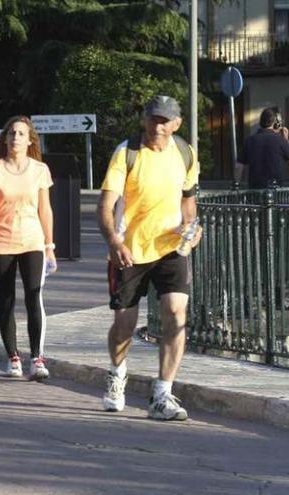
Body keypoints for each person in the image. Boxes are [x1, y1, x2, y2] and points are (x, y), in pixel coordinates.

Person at [97, 95, 202, 421]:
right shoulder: (126, 153)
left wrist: (192, 227)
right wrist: (113, 240)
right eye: (154, 119)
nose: (159, 126)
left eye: (165, 120)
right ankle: (117, 373)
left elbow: (188, 201)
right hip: (130, 250)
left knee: (175, 313)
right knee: (124, 325)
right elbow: (104, 205)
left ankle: (162, 394)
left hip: (171, 247)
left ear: (176, 124)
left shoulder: (185, 153)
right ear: (144, 120)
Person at [0, 116, 56, 381]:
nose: (16, 137)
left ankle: (37, 358)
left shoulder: (39, 169)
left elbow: (45, 209)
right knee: (7, 300)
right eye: (11, 133)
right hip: (2, 242)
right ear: (5, 139)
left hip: (32, 240)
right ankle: (13, 357)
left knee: (34, 296)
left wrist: (49, 245)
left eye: (21, 134)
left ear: (30, 140)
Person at [236, 107, 289, 189]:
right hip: (275, 191)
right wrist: (286, 140)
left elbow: (239, 166)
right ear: (276, 123)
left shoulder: (249, 140)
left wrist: (236, 185)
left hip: (254, 190)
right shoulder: (281, 140)